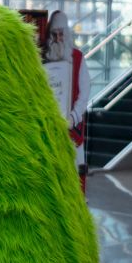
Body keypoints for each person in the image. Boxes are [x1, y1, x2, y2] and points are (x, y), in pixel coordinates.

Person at [42, 11, 90, 193]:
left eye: (61, 33)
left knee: (76, 166)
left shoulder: (78, 57)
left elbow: (84, 92)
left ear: (67, 33)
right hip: (51, 125)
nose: (58, 38)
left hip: (72, 125)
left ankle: (78, 203)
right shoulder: (43, 59)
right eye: (54, 34)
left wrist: (73, 116)